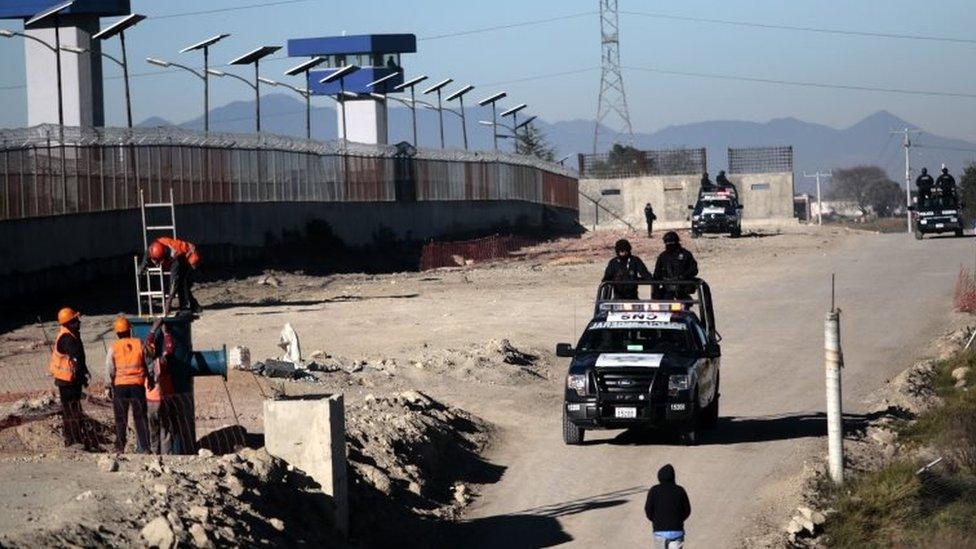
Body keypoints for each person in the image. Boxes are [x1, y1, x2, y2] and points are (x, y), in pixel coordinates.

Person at [105, 316, 151, 454]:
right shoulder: (139, 343)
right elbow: (148, 362)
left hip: (120, 388)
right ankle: (146, 448)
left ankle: (119, 447)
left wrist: (108, 385)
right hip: (137, 386)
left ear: (117, 333)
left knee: (120, 419)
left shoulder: (114, 347)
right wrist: (150, 379)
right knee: (140, 418)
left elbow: (109, 367)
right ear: (130, 331)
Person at [48, 307, 91, 449]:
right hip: (68, 381)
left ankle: (73, 438)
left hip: (66, 380)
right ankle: (73, 440)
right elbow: (76, 359)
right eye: (75, 320)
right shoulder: (68, 339)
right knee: (72, 410)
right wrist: (82, 377)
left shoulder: (70, 335)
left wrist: (84, 371)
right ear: (68, 323)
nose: (78, 322)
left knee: (71, 409)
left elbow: (78, 360)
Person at [139, 236, 202, 317]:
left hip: (190, 256)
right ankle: (195, 306)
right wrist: (143, 265)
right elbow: (149, 251)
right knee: (180, 282)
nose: (156, 264)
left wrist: (169, 301)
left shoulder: (174, 256)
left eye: (158, 261)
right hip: (181, 254)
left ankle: (186, 308)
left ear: (164, 256)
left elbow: (174, 281)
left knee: (182, 282)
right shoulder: (157, 245)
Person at [644, 464, 692, 548]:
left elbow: (648, 510)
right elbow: (687, 510)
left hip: (660, 531)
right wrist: (679, 519)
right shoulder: (680, 490)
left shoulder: (654, 490)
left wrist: (656, 520)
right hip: (677, 530)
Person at [145, 325, 175, 455]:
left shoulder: (144, 362)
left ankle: (154, 453)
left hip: (150, 401)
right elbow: (170, 349)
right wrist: (166, 333)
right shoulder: (161, 362)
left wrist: (152, 330)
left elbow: (147, 344)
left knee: (153, 429)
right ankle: (166, 454)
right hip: (163, 400)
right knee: (165, 429)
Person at [652, 232, 699, 300]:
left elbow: (694, 269)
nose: (669, 245)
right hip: (667, 289)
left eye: (671, 242)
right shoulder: (663, 256)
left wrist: (683, 277)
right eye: (667, 243)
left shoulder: (685, 254)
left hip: (682, 288)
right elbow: (657, 275)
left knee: (685, 303)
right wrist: (655, 292)